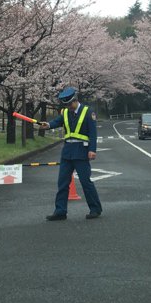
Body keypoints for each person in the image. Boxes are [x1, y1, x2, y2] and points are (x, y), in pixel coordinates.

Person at [38, 86, 103, 221]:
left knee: (85, 182)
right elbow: (57, 121)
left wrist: (92, 150)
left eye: (69, 104)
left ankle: (95, 209)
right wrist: (48, 125)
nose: (68, 107)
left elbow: (93, 132)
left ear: (75, 100)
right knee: (62, 182)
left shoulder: (88, 112)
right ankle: (60, 211)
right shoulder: (66, 112)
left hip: (82, 151)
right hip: (67, 152)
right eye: (66, 105)